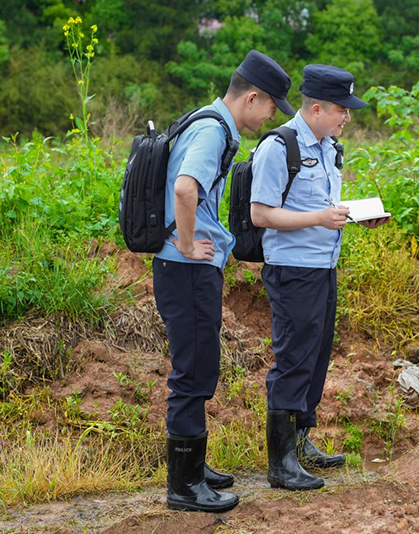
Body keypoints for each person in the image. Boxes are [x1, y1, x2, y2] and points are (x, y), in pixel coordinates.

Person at [153, 50, 295, 512]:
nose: (273, 114)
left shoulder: (208, 122)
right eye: (272, 105)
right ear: (252, 97)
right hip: (187, 268)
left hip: (188, 270)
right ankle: (185, 485)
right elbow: (184, 188)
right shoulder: (213, 131)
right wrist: (190, 243)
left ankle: (194, 466)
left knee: (198, 365)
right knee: (193, 372)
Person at [250, 64, 389, 491]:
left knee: (316, 355)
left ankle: (301, 440)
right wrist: (320, 218)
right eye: (341, 110)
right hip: (292, 269)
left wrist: (352, 216)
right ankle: (281, 463)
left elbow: (321, 206)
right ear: (316, 108)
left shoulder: (329, 147)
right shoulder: (279, 146)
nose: (347, 117)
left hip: (323, 266)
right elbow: (261, 214)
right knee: (293, 357)